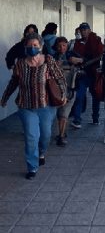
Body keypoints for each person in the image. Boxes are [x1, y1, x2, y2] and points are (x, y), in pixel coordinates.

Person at [1, 33, 67, 179]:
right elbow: (14, 82)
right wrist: (5, 98)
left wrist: (63, 95)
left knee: (45, 135)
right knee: (31, 136)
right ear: (25, 47)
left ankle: (42, 152)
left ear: (41, 46)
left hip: (46, 106)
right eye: (29, 46)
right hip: (26, 106)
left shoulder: (48, 60)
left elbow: (60, 79)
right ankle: (32, 167)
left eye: (35, 45)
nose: (32, 48)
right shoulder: (20, 64)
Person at [70, 22, 104, 128]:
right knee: (79, 96)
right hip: (83, 74)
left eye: (85, 30)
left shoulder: (96, 40)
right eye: (82, 30)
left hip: (94, 73)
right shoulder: (78, 43)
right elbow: (74, 54)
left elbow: (100, 55)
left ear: (89, 30)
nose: (83, 32)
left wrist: (85, 61)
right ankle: (77, 120)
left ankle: (95, 118)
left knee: (96, 96)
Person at [53, 37, 78, 147]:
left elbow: (85, 61)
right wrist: (54, 66)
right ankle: (61, 133)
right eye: (59, 46)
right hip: (56, 91)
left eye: (64, 45)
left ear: (67, 45)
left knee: (64, 113)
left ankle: (61, 136)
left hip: (70, 89)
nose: (61, 48)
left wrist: (77, 60)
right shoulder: (52, 57)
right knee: (60, 114)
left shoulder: (73, 55)